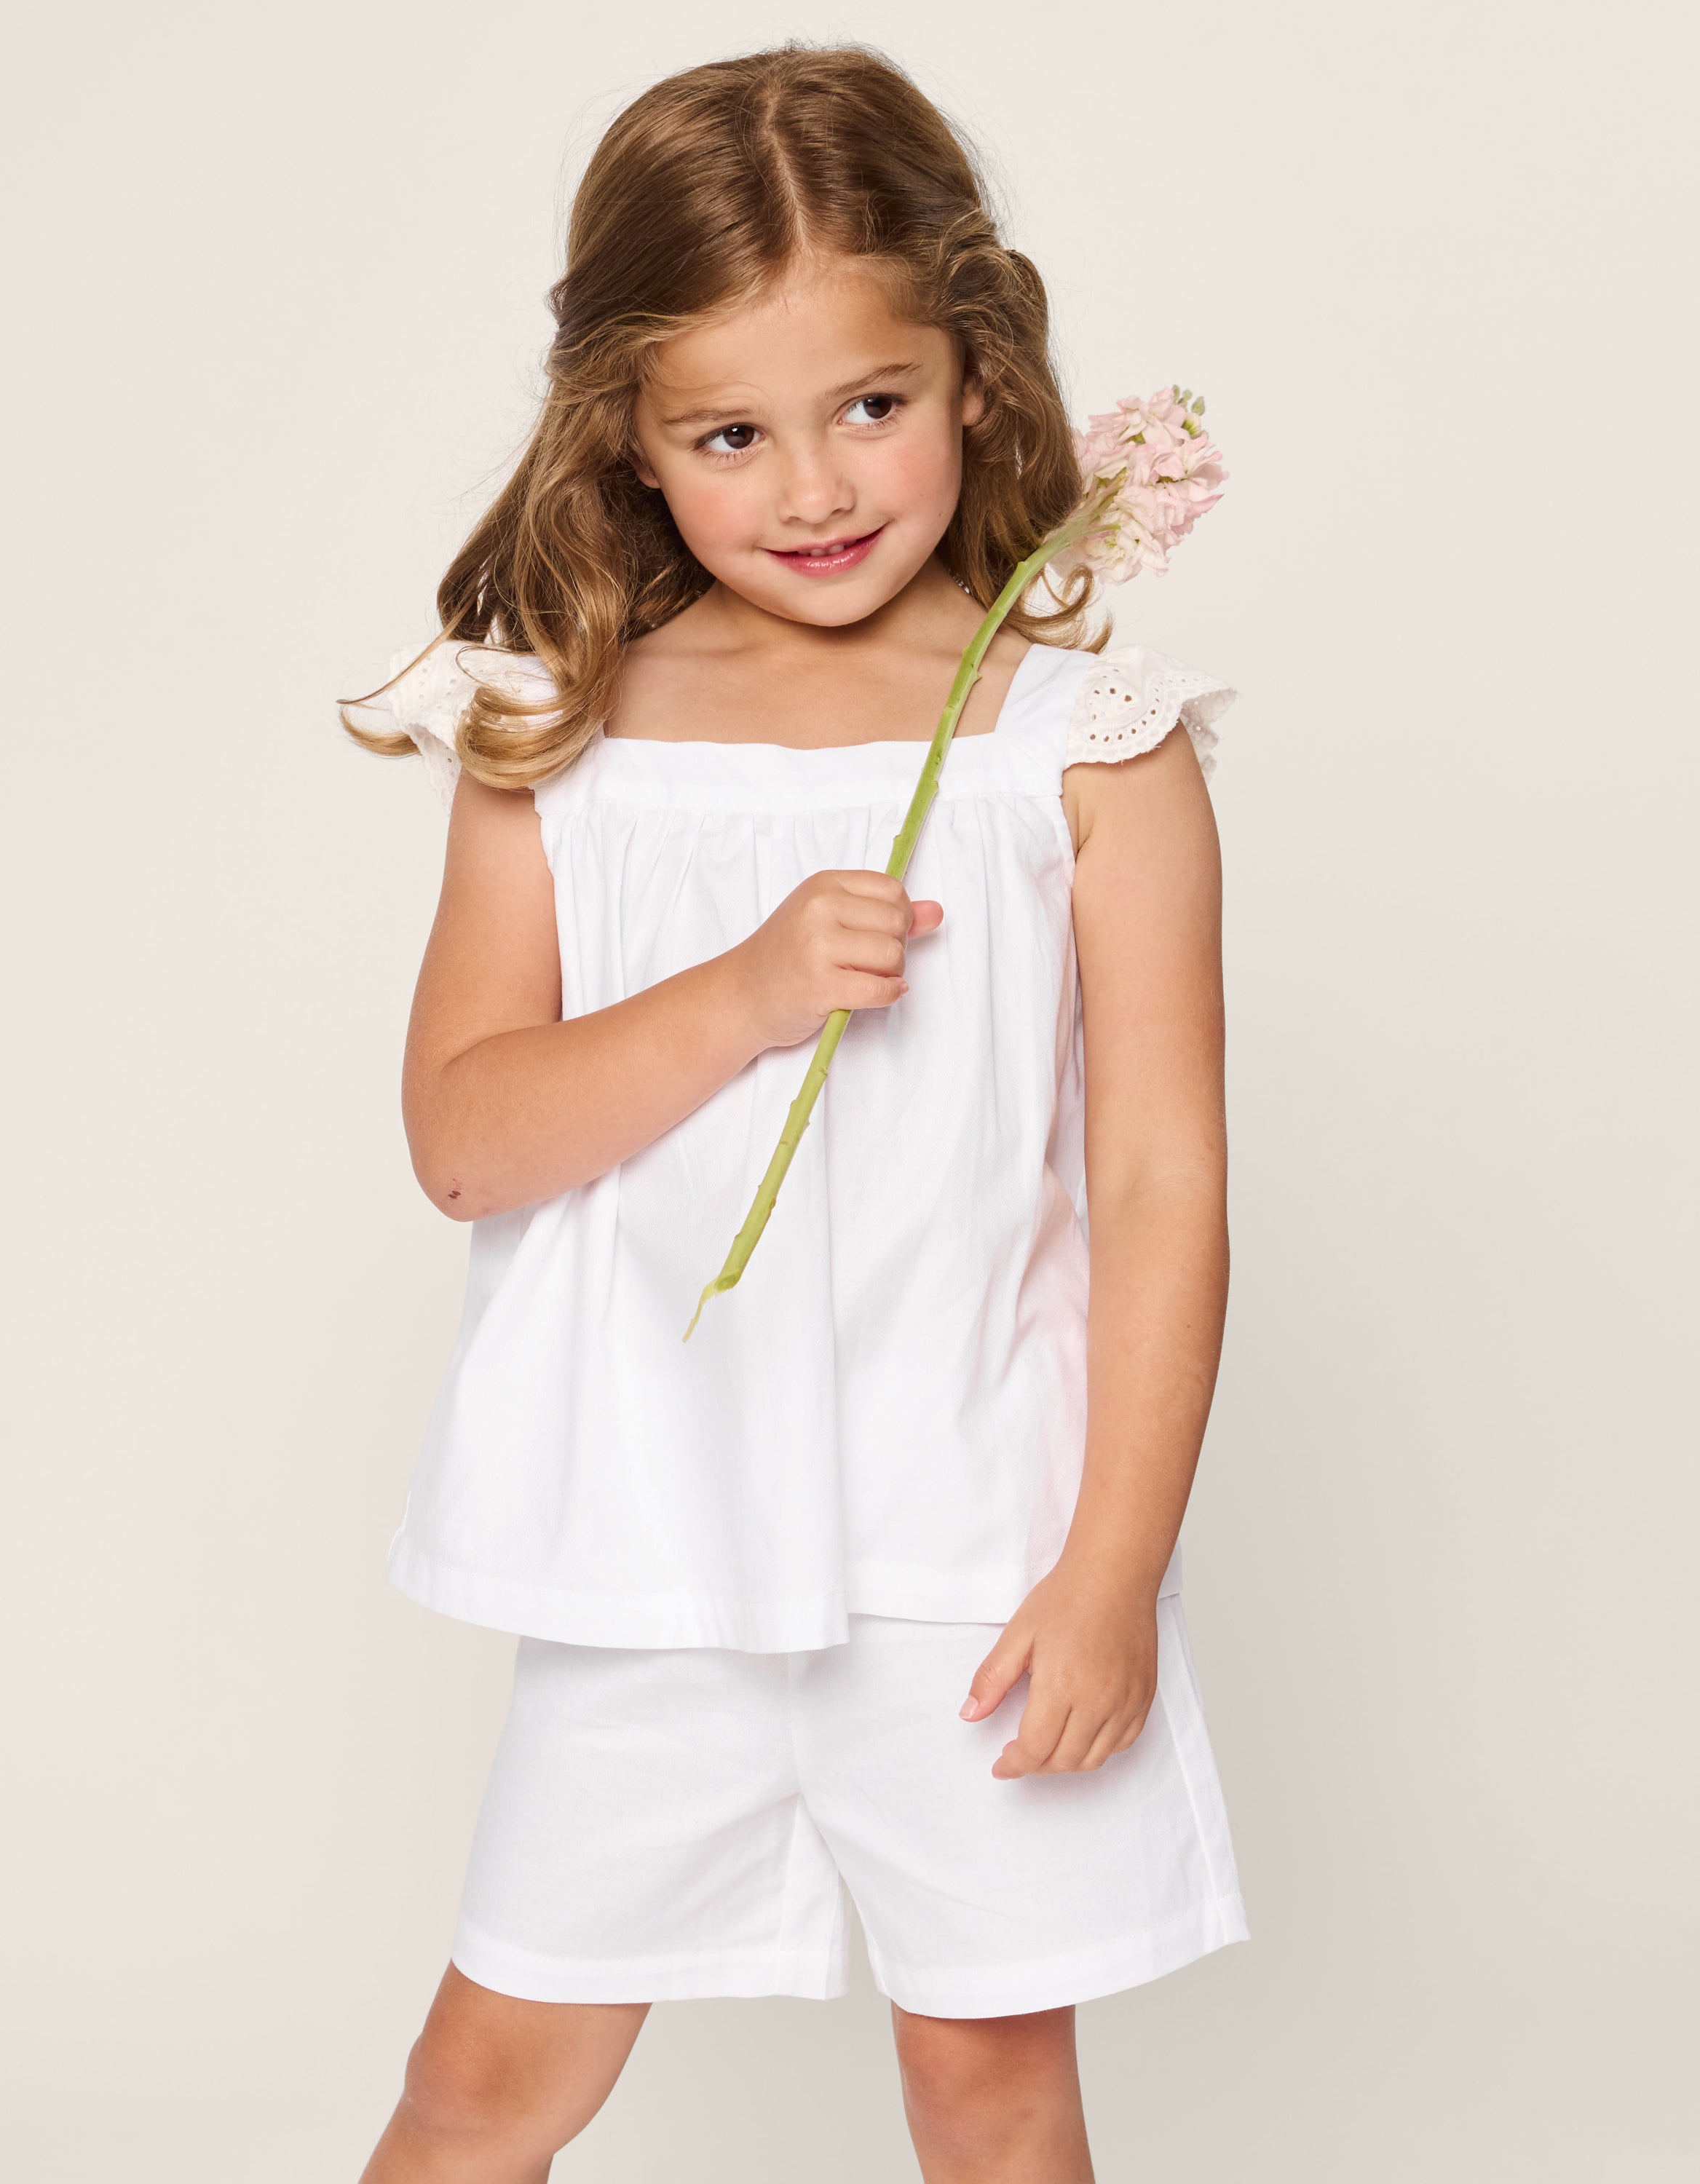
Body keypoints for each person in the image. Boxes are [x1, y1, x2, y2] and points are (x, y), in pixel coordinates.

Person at [342, 43, 1246, 2184]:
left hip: (977, 1559)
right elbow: (466, 1139)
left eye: (872, 404)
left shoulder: (1081, 746)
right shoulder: (563, 741)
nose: (817, 487)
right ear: (629, 440)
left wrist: (1114, 1568)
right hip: (650, 1551)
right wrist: (742, 995)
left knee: (993, 2089)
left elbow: (1162, 1180)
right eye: (730, 434)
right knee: (487, 2085)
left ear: (976, 376)